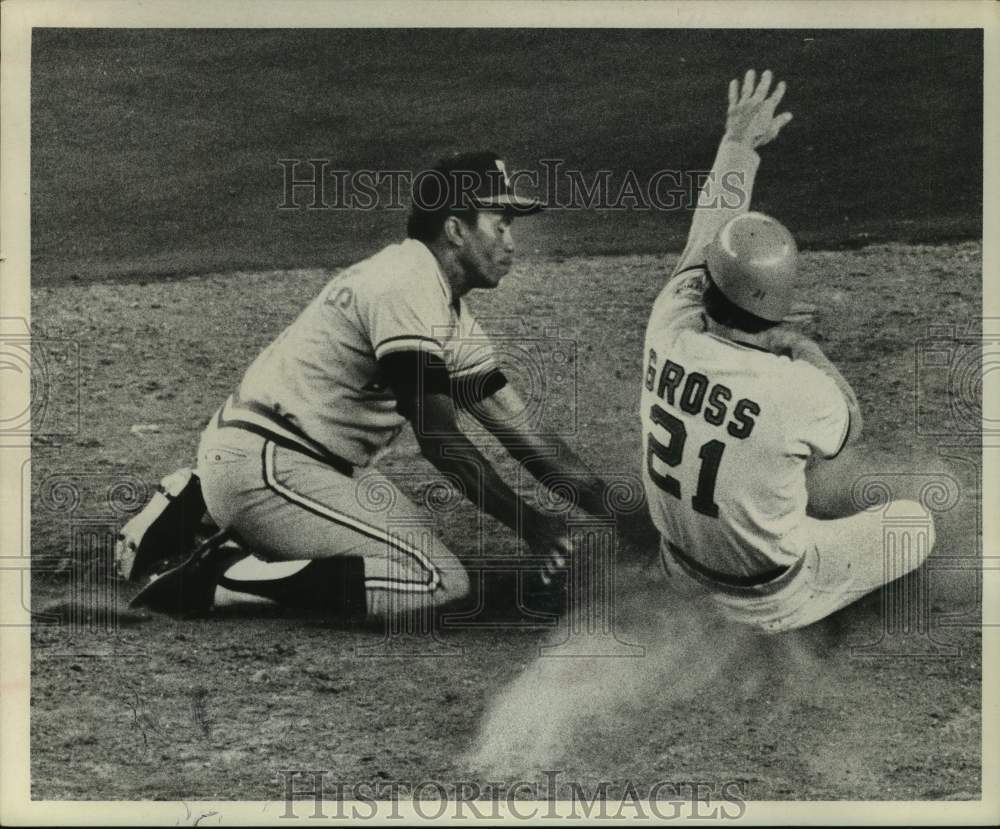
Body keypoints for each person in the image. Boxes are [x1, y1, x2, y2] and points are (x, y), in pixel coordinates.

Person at [122, 151, 632, 622]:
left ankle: (198, 507)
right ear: (455, 229)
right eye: (499, 224)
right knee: (436, 583)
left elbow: (524, 436)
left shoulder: (444, 305)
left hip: (306, 465)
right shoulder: (404, 286)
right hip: (269, 466)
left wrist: (626, 517)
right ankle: (219, 577)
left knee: (407, 557)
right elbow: (439, 440)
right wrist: (532, 525)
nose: (510, 241)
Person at [640, 69, 936, 633]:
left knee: (774, 471)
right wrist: (800, 346)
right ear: (781, 303)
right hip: (770, 601)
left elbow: (706, 235)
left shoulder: (668, 322)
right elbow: (848, 431)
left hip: (678, 568)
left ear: (709, 285)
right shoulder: (799, 388)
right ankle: (814, 620)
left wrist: (737, 145)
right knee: (913, 522)